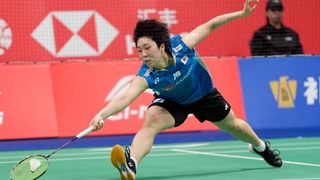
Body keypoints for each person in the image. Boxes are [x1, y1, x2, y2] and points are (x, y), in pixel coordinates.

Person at [89, 0, 282, 179]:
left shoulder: (182, 46)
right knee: (152, 120)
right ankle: (131, 165)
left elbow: (211, 25)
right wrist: (101, 115)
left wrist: (241, 13)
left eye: (147, 48)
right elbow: (125, 97)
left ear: (162, 46)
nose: (143, 54)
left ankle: (261, 147)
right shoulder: (147, 75)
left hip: (204, 95)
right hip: (174, 102)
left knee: (234, 126)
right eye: (139, 50)